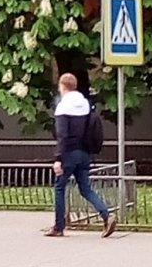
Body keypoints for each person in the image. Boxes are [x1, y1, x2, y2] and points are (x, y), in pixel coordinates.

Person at [46, 73, 116, 238]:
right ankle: (107, 215)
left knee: (59, 188)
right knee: (85, 188)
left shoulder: (63, 107)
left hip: (69, 153)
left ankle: (58, 227)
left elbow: (62, 135)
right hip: (85, 153)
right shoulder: (85, 104)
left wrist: (58, 159)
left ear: (62, 87)